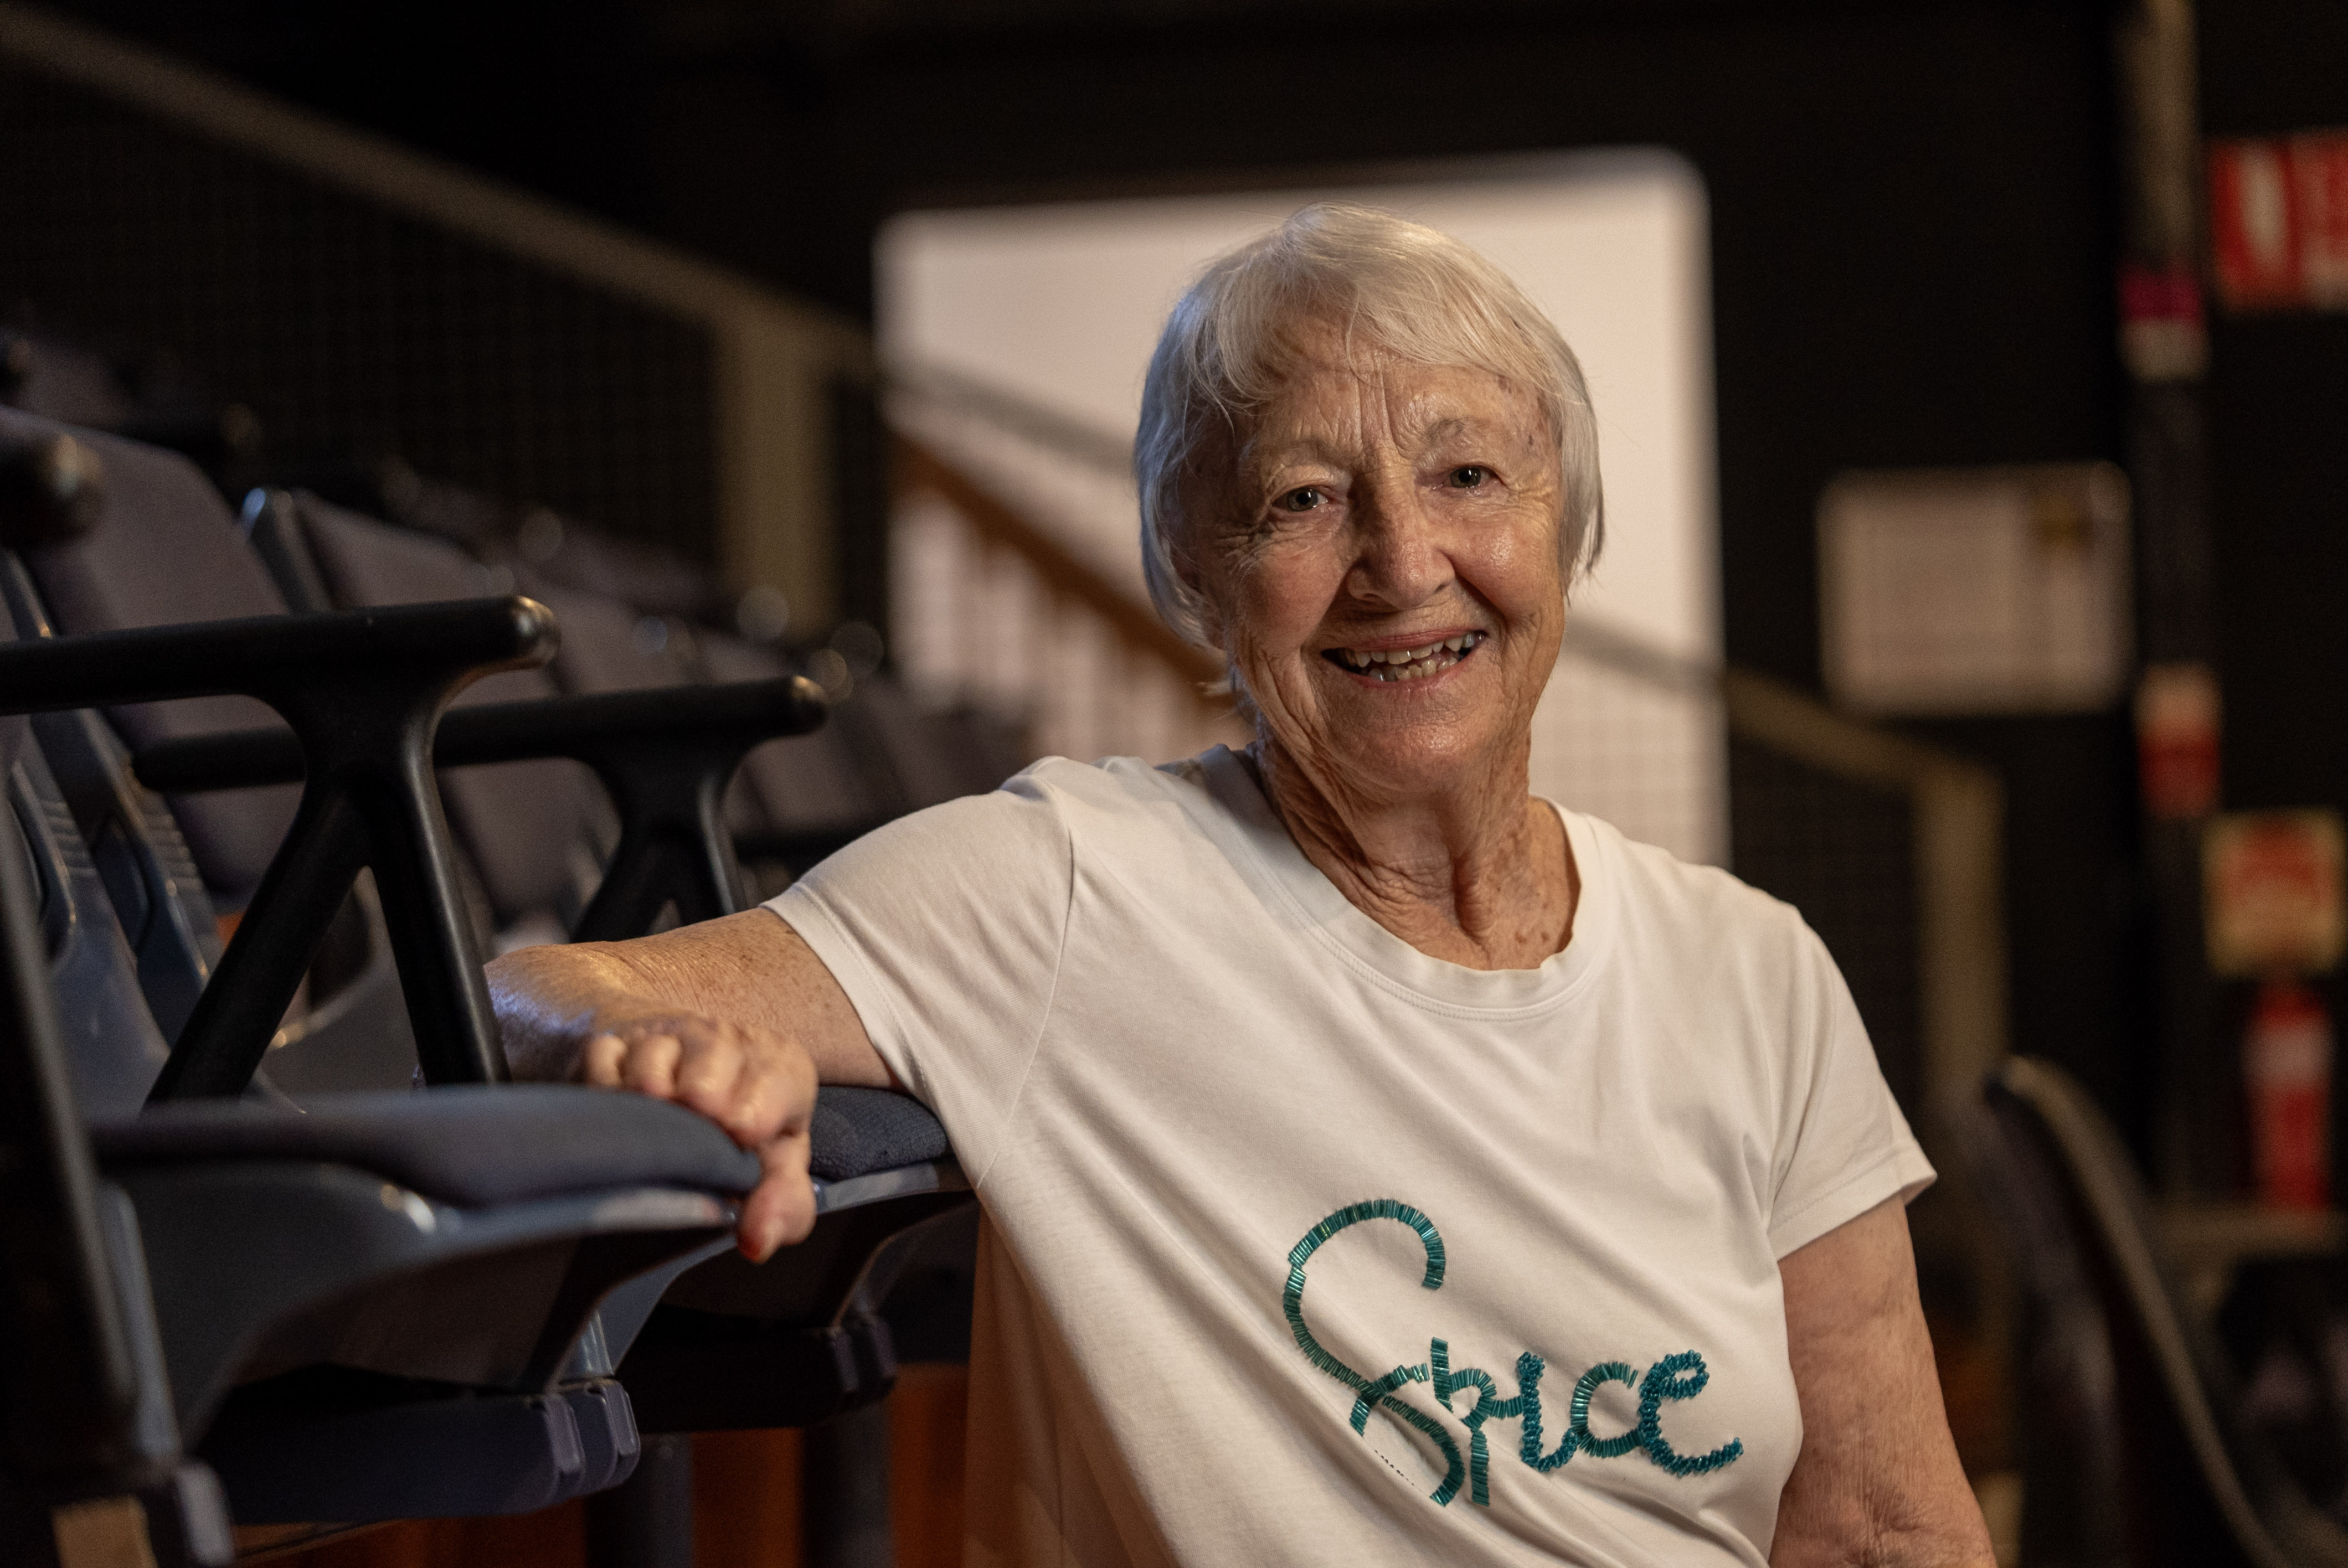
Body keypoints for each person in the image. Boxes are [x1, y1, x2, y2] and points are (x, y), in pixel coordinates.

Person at [491, 203, 1994, 1567]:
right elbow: (529, 982)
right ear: (1196, 570)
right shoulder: (1073, 891)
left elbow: (1884, 1531)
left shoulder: (1755, 973)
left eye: (1468, 474)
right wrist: (654, 1046)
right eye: (1304, 501)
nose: (1405, 562)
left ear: (1561, 528)